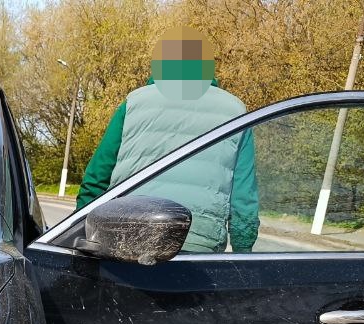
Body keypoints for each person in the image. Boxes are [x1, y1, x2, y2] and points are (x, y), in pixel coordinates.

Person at [76, 28, 259, 253]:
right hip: (196, 246)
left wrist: (81, 232)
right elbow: (244, 198)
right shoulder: (236, 111)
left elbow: (96, 178)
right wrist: (244, 253)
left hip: (125, 238)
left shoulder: (134, 103)